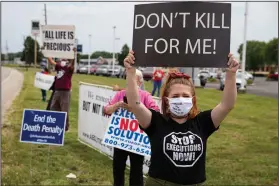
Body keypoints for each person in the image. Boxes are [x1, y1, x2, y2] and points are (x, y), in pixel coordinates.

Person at [124, 50, 239, 185]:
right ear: (166, 100)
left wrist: (231, 74)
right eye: (175, 96)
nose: (180, 100)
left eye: (185, 96)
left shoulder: (202, 122)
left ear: (193, 99)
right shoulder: (155, 121)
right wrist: (131, 72)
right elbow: (135, 105)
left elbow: (227, 105)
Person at [104, 69, 159, 186]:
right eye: (127, 80)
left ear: (139, 82)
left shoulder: (145, 95)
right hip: (120, 138)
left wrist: (137, 108)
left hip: (137, 140)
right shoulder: (120, 94)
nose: (129, 83)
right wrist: (118, 104)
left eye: (132, 80)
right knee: (118, 168)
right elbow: (106, 110)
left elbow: (155, 112)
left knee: (136, 171)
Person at [46, 49, 76, 131]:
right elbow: (51, 61)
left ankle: (66, 127)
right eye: (62, 59)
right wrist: (47, 51)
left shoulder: (69, 69)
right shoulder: (59, 67)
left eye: (64, 59)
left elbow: (72, 64)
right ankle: (55, 124)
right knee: (53, 107)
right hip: (57, 91)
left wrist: (74, 53)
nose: (62, 60)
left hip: (65, 92)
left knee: (64, 109)